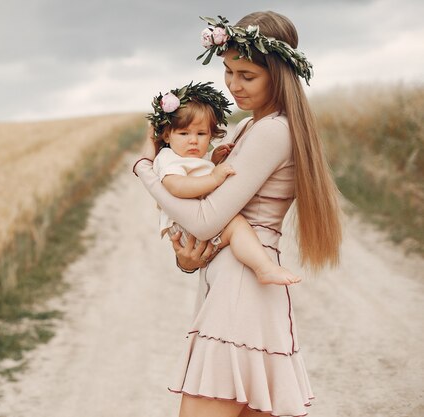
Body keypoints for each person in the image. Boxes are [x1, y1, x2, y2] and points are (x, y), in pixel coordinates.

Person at [133, 11, 342, 417]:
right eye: (229, 72)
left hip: (241, 291)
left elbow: (208, 219)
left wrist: (145, 170)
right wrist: (187, 260)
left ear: (278, 74)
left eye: (247, 75)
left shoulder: (272, 131)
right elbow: (207, 219)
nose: (233, 85)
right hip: (234, 284)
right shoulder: (248, 128)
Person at [148, 81, 301, 286]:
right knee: (236, 225)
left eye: (201, 134)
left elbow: (194, 173)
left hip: (192, 224)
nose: (193, 140)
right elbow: (176, 186)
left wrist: (212, 162)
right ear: (167, 135)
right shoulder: (167, 158)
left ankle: (263, 267)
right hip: (186, 228)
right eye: (184, 134)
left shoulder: (187, 157)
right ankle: (263, 267)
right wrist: (213, 178)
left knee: (235, 226)